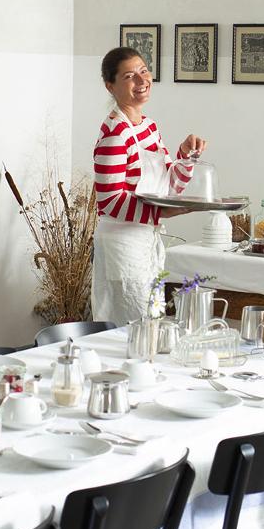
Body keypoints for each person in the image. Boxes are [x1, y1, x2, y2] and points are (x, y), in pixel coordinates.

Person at [91, 47, 206, 325]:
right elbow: (109, 200)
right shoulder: (115, 134)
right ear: (110, 86)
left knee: (151, 323)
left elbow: (170, 186)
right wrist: (160, 213)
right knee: (131, 327)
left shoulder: (149, 127)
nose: (142, 80)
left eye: (143, 71)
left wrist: (186, 156)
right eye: (129, 76)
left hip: (145, 240)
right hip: (122, 246)